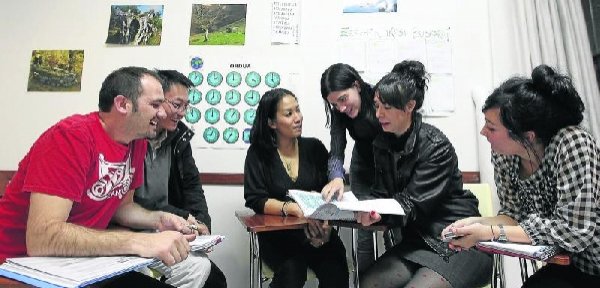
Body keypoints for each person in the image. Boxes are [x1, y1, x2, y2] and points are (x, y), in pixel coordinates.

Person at [0, 67, 198, 287]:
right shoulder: (71, 138)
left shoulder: (137, 142)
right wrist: (139, 241)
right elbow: (41, 238)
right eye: (154, 105)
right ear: (123, 104)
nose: (162, 114)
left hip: (80, 263)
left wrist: (158, 219)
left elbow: (122, 207)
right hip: (23, 267)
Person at [443, 64, 600, 287]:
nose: (483, 132)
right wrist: (474, 223)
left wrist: (487, 231)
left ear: (526, 135)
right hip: (570, 265)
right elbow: (512, 215)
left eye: (491, 127)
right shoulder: (505, 155)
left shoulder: (572, 143)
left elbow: (574, 231)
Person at [355, 60, 492, 288]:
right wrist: (364, 210)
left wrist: (378, 212)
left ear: (409, 106)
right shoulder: (380, 144)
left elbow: (412, 204)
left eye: (386, 107)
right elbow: (381, 196)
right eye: (377, 106)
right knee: (368, 283)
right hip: (418, 242)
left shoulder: (435, 145)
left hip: (458, 240)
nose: (378, 114)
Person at [244, 88, 349, 288]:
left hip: (317, 229)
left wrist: (326, 227)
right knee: (293, 271)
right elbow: (255, 198)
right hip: (278, 237)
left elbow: (328, 194)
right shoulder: (258, 153)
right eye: (288, 113)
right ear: (271, 122)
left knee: (335, 267)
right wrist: (290, 209)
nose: (298, 118)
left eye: (298, 110)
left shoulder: (315, 148)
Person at [134, 70, 227, 288]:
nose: (182, 113)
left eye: (186, 106)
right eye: (177, 105)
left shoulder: (178, 140)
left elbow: (192, 186)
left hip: (166, 228)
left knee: (214, 280)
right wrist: (183, 216)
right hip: (133, 229)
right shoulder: (133, 138)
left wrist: (202, 222)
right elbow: (132, 201)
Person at [319, 63, 383, 272]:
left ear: (356, 85)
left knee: (397, 230)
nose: (341, 108)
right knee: (364, 231)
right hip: (362, 167)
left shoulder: (380, 98)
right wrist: (337, 177)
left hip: (391, 167)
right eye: (335, 104)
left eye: (343, 99)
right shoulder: (340, 112)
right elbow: (336, 148)